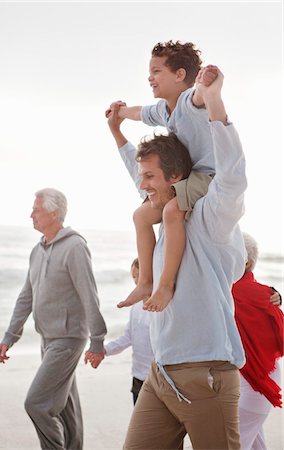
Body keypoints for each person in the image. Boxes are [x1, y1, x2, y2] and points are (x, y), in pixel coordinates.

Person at [107, 67, 247, 450]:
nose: (142, 185)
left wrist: (215, 103)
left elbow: (232, 177)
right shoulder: (162, 217)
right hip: (161, 374)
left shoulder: (209, 218)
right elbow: (138, 174)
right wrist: (117, 134)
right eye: (143, 177)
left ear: (176, 178)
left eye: (151, 177)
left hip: (206, 374)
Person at [106, 41, 217, 313]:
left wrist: (205, 85)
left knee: (171, 211)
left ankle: (165, 285)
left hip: (207, 176)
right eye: (149, 72)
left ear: (179, 75)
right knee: (141, 215)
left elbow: (201, 97)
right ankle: (146, 280)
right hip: (184, 178)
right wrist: (119, 114)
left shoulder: (190, 101)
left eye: (157, 71)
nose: (150, 77)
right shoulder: (162, 110)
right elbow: (139, 113)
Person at [0, 188, 107, 450]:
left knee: (36, 403)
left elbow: (89, 295)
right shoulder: (37, 251)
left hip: (68, 340)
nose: (31, 214)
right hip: (48, 339)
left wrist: (98, 340)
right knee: (68, 409)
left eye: (36, 209)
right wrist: (9, 336)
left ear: (54, 213)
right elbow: (26, 297)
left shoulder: (75, 247)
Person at [232, 232, 283, 450]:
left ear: (246, 262)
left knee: (232, 446)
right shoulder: (265, 295)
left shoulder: (228, 292)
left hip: (253, 386)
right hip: (260, 383)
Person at [102, 258, 154, 405]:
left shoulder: (163, 307)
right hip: (138, 377)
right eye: (134, 277)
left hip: (158, 379)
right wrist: (104, 350)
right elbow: (128, 337)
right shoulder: (135, 306)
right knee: (139, 427)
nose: (137, 281)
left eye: (140, 276)